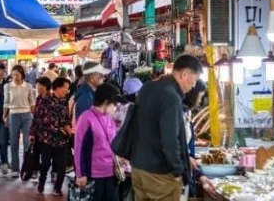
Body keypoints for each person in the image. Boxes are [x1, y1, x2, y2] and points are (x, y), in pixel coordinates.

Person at [130, 54, 202, 201]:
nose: (194, 85)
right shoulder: (172, 97)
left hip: (138, 169)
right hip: (159, 175)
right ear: (185, 74)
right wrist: (178, 170)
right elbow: (170, 139)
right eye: (194, 79)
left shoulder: (148, 87)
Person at [74, 83, 122, 201]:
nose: (116, 107)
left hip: (112, 172)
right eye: (114, 104)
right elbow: (79, 149)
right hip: (93, 175)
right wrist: (80, 174)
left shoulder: (109, 117)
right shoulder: (86, 118)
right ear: (106, 102)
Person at [30, 77, 72, 196]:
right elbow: (37, 118)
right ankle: (41, 183)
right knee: (45, 164)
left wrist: (69, 129)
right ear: (58, 87)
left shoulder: (64, 102)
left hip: (61, 139)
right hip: (47, 137)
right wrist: (32, 133)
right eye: (65, 88)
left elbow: (66, 120)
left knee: (62, 165)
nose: (66, 90)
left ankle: (57, 188)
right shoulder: (45, 100)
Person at [4, 65, 36, 177]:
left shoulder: (28, 86)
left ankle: (28, 168)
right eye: (13, 75)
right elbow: (6, 102)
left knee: (28, 143)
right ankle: (15, 169)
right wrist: (5, 116)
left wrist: (34, 117)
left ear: (22, 74)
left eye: (17, 74)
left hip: (27, 115)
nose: (15, 77)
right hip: (13, 115)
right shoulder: (7, 86)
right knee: (14, 143)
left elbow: (32, 102)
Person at [183, 80, 207, 200]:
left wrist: (199, 175)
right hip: (178, 176)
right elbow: (184, 149)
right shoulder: (180, 114)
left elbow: (188, 151)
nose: (200, 101)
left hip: (185, 173)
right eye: (200, 96)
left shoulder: (187, 113)